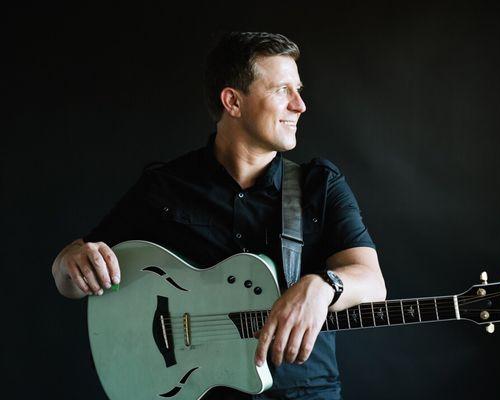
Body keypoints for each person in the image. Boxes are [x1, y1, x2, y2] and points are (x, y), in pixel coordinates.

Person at [52, 31, 387, 399]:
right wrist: (68, 262)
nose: (300, 105)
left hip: (304, 392)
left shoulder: (319, 184)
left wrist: (323, 286)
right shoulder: (166, 185)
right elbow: (74, 276)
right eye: (282, 90)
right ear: (233, 102)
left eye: (299, 89)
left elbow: (372, 282)